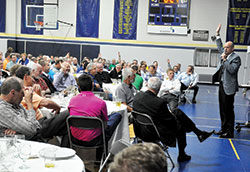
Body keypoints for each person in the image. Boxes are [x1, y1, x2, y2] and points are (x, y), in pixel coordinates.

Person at [133, 77, 214, 162]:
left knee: (176, 112)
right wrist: (174, 116)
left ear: (147, 85)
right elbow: (171, 121)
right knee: (180, 124)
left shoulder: (138, 96)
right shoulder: (159, 103)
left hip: (140, 130)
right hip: (155, 132)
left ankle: (199, 133)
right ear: (159, 88)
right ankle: (184, 151)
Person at [0, 77, 69, 146]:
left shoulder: (14, 103)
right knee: (68, 113)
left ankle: (66, 152)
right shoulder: (2, 109)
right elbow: (32, 131)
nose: (24, 96)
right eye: (22, 93)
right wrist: (29, 102)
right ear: (13, 93)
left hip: (37, 127)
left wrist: (22, 128)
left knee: (68, 127)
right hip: (32, 136)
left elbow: (33, 124)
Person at [68, 74, 121, 155]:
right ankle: (102, 156)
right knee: (116, 116)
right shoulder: (100, 102)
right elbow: (105, 125)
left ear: (78, 87)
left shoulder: (72, 100)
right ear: (92, 86)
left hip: (74, 138)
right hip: (95, 140)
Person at [212, 24, 241, 138]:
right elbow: (219, 46)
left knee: (228, 110)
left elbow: (232, 70)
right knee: (222, 109)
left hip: (229, 87)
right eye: (224, 47)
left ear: (232, 48)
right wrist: (217, 34)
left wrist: (225, 60)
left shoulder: (236, 58)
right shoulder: (224, 54)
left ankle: (229, 132)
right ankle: (223, 128)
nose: (225, 49)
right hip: (222, 85)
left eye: (227, 47)